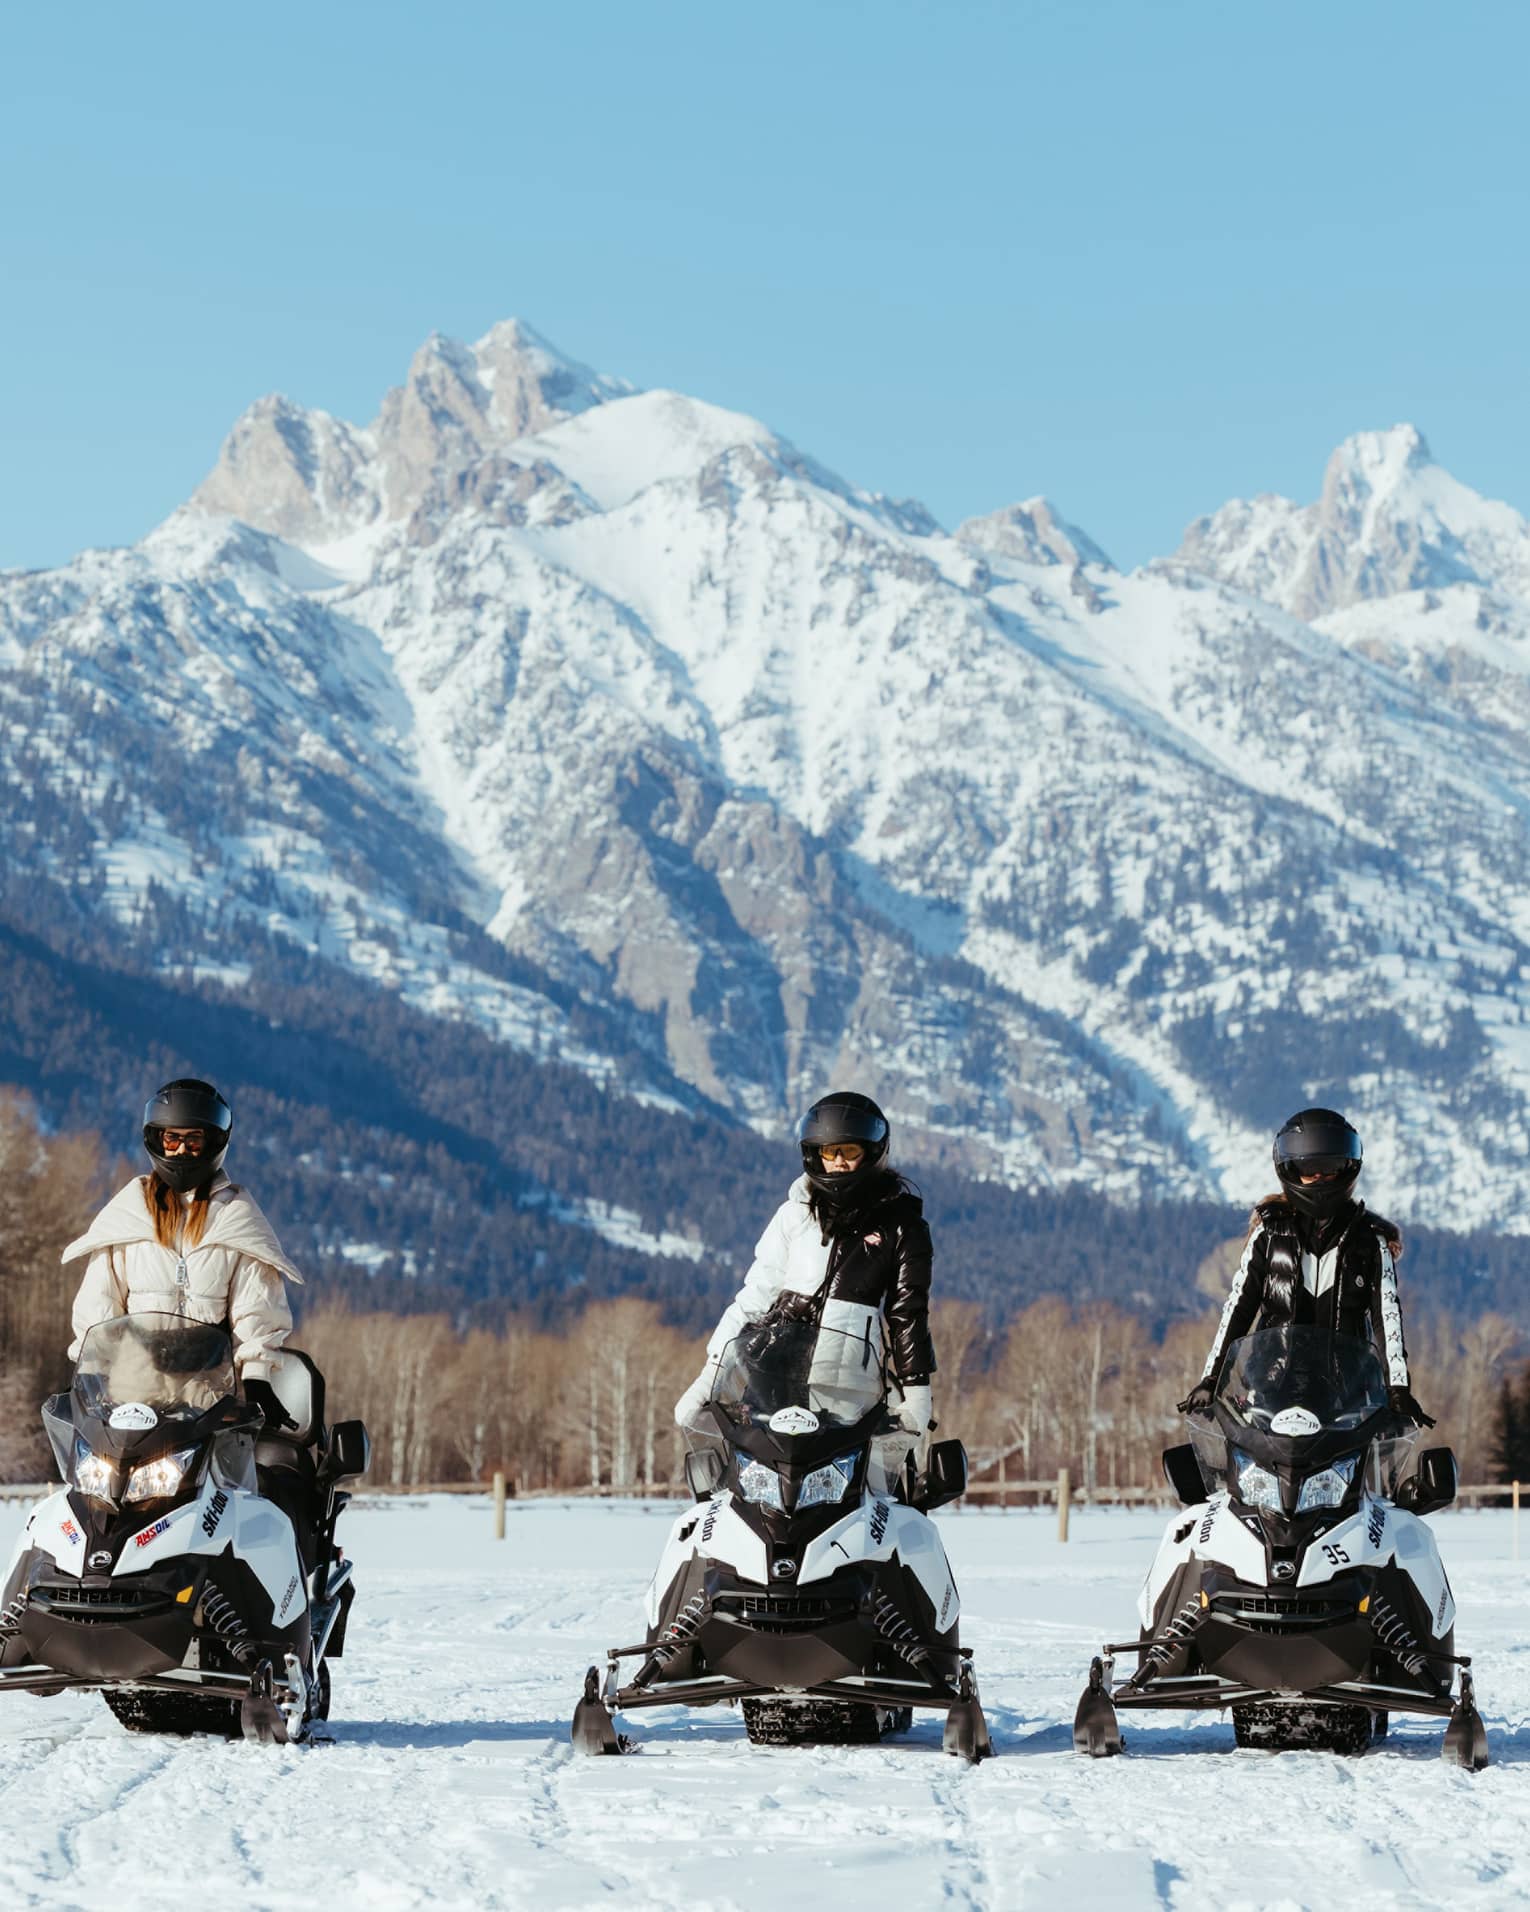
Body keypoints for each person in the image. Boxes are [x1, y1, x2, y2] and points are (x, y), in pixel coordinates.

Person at [675, 1090, 936, 1493]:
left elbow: (907, 1313)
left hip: (850, 1391)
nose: (838, 1162)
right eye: (829, 1152)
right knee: (750, 1496)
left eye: (848, 1151)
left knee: (869, 1500)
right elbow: (754, 1297)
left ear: (872, 1152)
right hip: (773, 1380)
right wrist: (710, 1376)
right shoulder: (794, 1214)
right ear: (814, 1154)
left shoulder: (902, 1224)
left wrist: (917, 1393)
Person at [62, 1078, 303, 1433]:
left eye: (193, 1140)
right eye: (172, 1139)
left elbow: (258, 1308)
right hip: (129, 1402)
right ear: (156, 1139)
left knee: (239, 1487)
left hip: (209, 1405)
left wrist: (257, 1378)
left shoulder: (237, 1219)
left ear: (214, 1142)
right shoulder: (128, 1217)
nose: (181, 1150)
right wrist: (89, 1371)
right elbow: (99, 1305)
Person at [1180, 1107, 1431, 1426]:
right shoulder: (1268, 1235)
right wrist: (1211, 1379)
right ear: (1289, 1168)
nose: (1320, 1177)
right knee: (1242, 1470)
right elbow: (1239, 1308)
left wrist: (1397, 1389)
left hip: (1350, 1394)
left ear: (1348, 1169)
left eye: (1330, 1168)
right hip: (1271, 1389)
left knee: (1377, 1470)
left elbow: (1388, 1317)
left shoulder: (1370, 1241)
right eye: (1309, 1168)